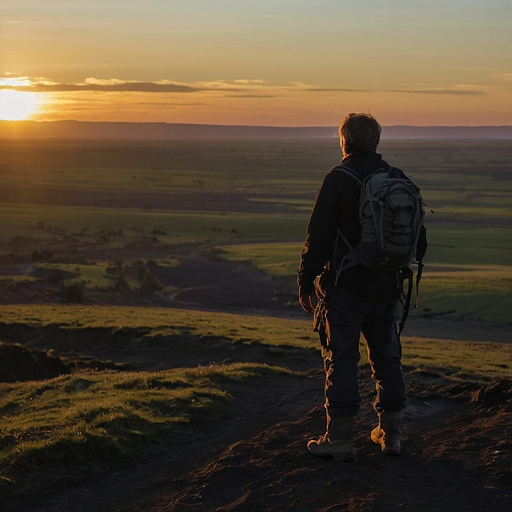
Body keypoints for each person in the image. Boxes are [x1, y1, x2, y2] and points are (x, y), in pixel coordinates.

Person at [297, 112, 427, 461]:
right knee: (387, 359)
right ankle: (391, 434)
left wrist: (306, 280)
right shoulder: (396, 178)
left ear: (344, 141)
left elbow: (318, 236)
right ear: (376, 141)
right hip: (388, 285)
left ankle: (338, 439)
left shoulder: (338, 179)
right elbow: (418, 237)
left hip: (346, 288)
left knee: (341, 360)